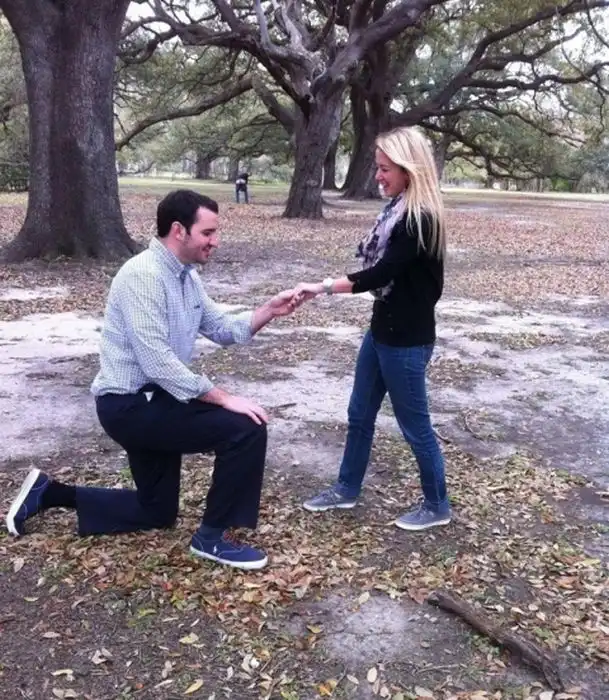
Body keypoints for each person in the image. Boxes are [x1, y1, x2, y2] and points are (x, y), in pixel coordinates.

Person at [6, 189, 303, 570]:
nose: (215, 241)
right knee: (244, 428)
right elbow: (156, 361)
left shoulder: (185, 277)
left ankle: (49, 493)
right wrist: (223, 397)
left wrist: (269, 311)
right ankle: (211, 539)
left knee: (156, 511)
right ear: (179, 230)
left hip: (158, 401)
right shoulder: (143, 276)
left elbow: (221, 327)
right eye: (208, 232)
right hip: (130, 407)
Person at [296, 126, 451, 531]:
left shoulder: (419, 219)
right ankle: (346, 489)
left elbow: (380, 274)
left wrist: (321, 287)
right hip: (382, 330)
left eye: (384, 169)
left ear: (408, 169)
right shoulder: (397, 210)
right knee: (360, 413)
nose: (377, 176)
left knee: (415, 427)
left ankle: (437, 505)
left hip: (407, 341)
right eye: (377, 167)